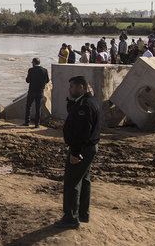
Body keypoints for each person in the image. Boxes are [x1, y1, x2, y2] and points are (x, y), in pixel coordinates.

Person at [54, 76, 101, 229]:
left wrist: (75, 153)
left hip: (82, 149)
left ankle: (70, 218)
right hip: (89, 148)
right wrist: (70, 101)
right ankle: (82, 214)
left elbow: (82, 131)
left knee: (71, 182)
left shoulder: (84, 106)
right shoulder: (87, 101)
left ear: (81, 87)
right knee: (84, 180)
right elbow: (73, 115)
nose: (70, 90)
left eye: (72, 87)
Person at [24, 57, 50, 128]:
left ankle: (27, 122)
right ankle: (37, 124)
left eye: (32, 63)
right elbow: (47, 80)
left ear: (34, 63)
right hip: (40, 91)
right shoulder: (45, 70)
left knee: (28, 106)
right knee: (38, 108)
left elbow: (27, 80)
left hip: (32, 91)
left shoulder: (31, 70)